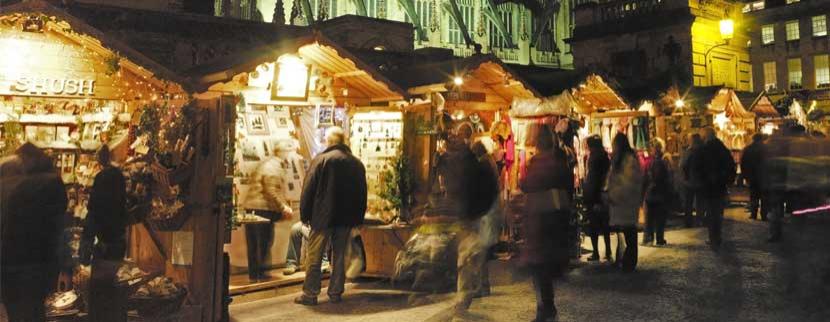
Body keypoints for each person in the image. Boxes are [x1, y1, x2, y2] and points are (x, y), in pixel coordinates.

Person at [295, 127, 367, 306]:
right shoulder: (356, 164)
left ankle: (310, 294)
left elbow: (308, 189)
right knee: (340, 255)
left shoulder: (321, 160)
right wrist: (358, 218)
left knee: (315, 255)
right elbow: (362, 193)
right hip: (345, 218)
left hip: (322, 216)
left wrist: (305, 214)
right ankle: (335, 292)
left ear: (329, 141)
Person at [1, 143, 67, 322]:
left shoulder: (19, 186)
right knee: (33, 311)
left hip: (11, 265)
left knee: (19, 313)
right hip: (37, 266)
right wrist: (64, 266)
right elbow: (58, 231)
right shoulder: (52, 183)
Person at [519, 125, 571, 322]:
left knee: (539, 266)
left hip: (539, 217)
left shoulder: (539, 161)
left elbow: (526, 184)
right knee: (545, 265)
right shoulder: (560, 160)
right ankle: (547, 307)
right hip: (555, 215)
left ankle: (545, 308)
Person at [80, 146, 128, 322]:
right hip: (118, 243)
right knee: (112, 293)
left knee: (99, 296)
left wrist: (84, 248)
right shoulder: (119, 177)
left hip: (105, 245)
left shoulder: (102, 178)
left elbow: (93, 214)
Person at [241, 145, 294, 281]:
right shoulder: (274, 167)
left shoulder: (267, 164)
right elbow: (271, 191)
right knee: (264, 243)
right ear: (282, 152)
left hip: (251, 206)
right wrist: (284, 207)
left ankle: (254, 275)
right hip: (263, 209)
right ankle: (262, 275)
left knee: (253, 244)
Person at [695, 127, 736, 249]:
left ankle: (713, 238)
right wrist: (727, 181)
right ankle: (717, 237)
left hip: (708, 187)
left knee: (711, 212)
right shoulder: (722, 149)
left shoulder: (704, 150)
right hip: (720, 186)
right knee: (717, 212)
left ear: (706, 137)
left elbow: (698, 168)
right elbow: (730, 166)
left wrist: (701, 181)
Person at [607, 133, 643, 272]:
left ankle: (629, 262)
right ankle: (625, 260)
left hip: (625, 202)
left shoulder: (628, 160)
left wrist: (614, 194)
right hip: (621, 202)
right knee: (625, 232)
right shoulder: (624, 159)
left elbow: (628, 182)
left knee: (629, 233)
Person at [470, 140, 501, 298]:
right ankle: (482, 284)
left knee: (480, 250)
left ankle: (483, 285)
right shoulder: (489, 161)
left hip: (486, 213)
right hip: (491, 210)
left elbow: (482, 190)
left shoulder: (483, 164)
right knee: (481, 250)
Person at [583, 135, 611, 261]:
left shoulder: (594, 158)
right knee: (605, 225)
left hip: (595, 195)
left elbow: (593, 179)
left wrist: (590, 195)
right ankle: (608, 250)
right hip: (605, 194)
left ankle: (595, 252)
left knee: (594, 225)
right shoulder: (605, 156)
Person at [643, 139, 671, 246]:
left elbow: (646, 178)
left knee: (649, 218)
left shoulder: (651, 162)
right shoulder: (663, 162)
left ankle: (649, 239)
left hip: (651, 193)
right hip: (660, 193)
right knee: (660, 218)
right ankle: (659, 238)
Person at [680, 133, 705, 227]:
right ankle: (700, 220)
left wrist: (684, 176)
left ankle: (688, 221)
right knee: (700, 202)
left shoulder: (689, 151)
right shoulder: (704, 151)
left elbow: (683, 164)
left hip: (690, 180)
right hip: (701, 180)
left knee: (688, 202)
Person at [741, 134, 767, 221]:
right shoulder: (766, 148)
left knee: (753, 196)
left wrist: (745, 175)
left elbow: (743, 163)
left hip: (752, 176)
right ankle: (764, 214)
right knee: (764, 197)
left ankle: (753, 213)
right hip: (763, 176)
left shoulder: (748, 149)